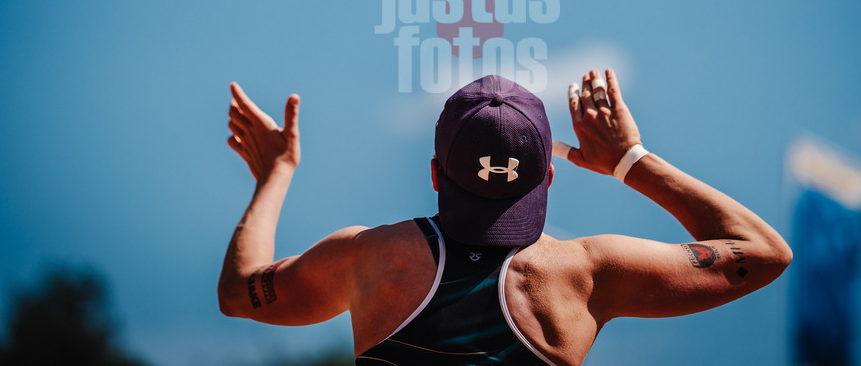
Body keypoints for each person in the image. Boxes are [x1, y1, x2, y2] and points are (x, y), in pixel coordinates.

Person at [218, 69, 792, 365]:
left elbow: (241, 295)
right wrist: (629, 163)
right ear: (546, 178)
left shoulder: (368, 258)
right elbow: (763, 254)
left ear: (437, 174)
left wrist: (275, 174)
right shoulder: (587, 274)